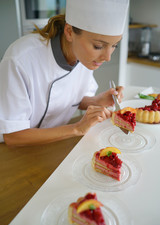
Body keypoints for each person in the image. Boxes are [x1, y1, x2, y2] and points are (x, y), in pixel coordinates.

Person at [0, 0, 129, 146]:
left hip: (54, 143)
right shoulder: (20, 59)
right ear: (69, 32)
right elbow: (12, 136)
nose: (107, 57)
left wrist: (96, 101)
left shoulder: (84, 58)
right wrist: (77, 128)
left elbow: (69, 99)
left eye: (114, 46)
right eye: (98, 46)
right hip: (13, 151)